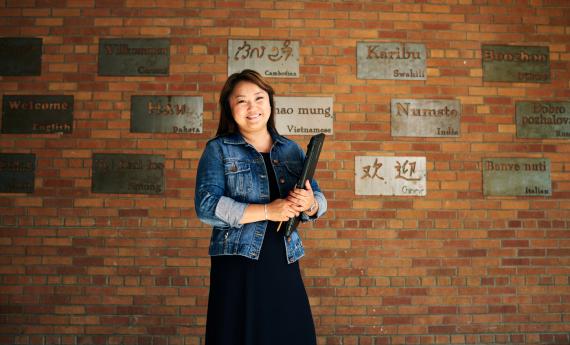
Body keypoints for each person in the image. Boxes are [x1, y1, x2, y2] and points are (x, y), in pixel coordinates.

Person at [194, 69, 327, 345]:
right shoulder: (218, 150)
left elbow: (319, 200)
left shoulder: (291, 150)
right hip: (237, 265)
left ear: (270, 103)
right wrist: (268, 211)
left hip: (283, 260)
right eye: (241, 100)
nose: (252, 107)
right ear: (229, 109)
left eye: (259, 98)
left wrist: (310, 203)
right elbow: (206, 205)